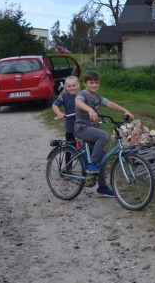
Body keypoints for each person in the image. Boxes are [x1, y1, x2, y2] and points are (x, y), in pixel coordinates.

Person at [75, 70, 133, 198]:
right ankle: (91, 165)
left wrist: (125, 110)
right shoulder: (82, 95)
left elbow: (109, 103)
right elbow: (78, 102)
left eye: (96, 82)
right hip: (82, 128)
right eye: (91, 83)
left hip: (92, 130)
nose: (94, 85)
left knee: (104, 157)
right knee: (104, 135)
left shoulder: (97, 96)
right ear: (85, 83)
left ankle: (102, 187)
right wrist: (90, 110)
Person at [52, 76, 80, 142]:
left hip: (82, 124)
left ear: (78, 86)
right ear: (66, 88)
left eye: (74, 85)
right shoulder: (64, 96)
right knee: (70, 146)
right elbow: (54, 105)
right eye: (69, 86)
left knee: (86, 146)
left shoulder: (82, 95)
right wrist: (59, 113)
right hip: (70, 126)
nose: (72, 88)